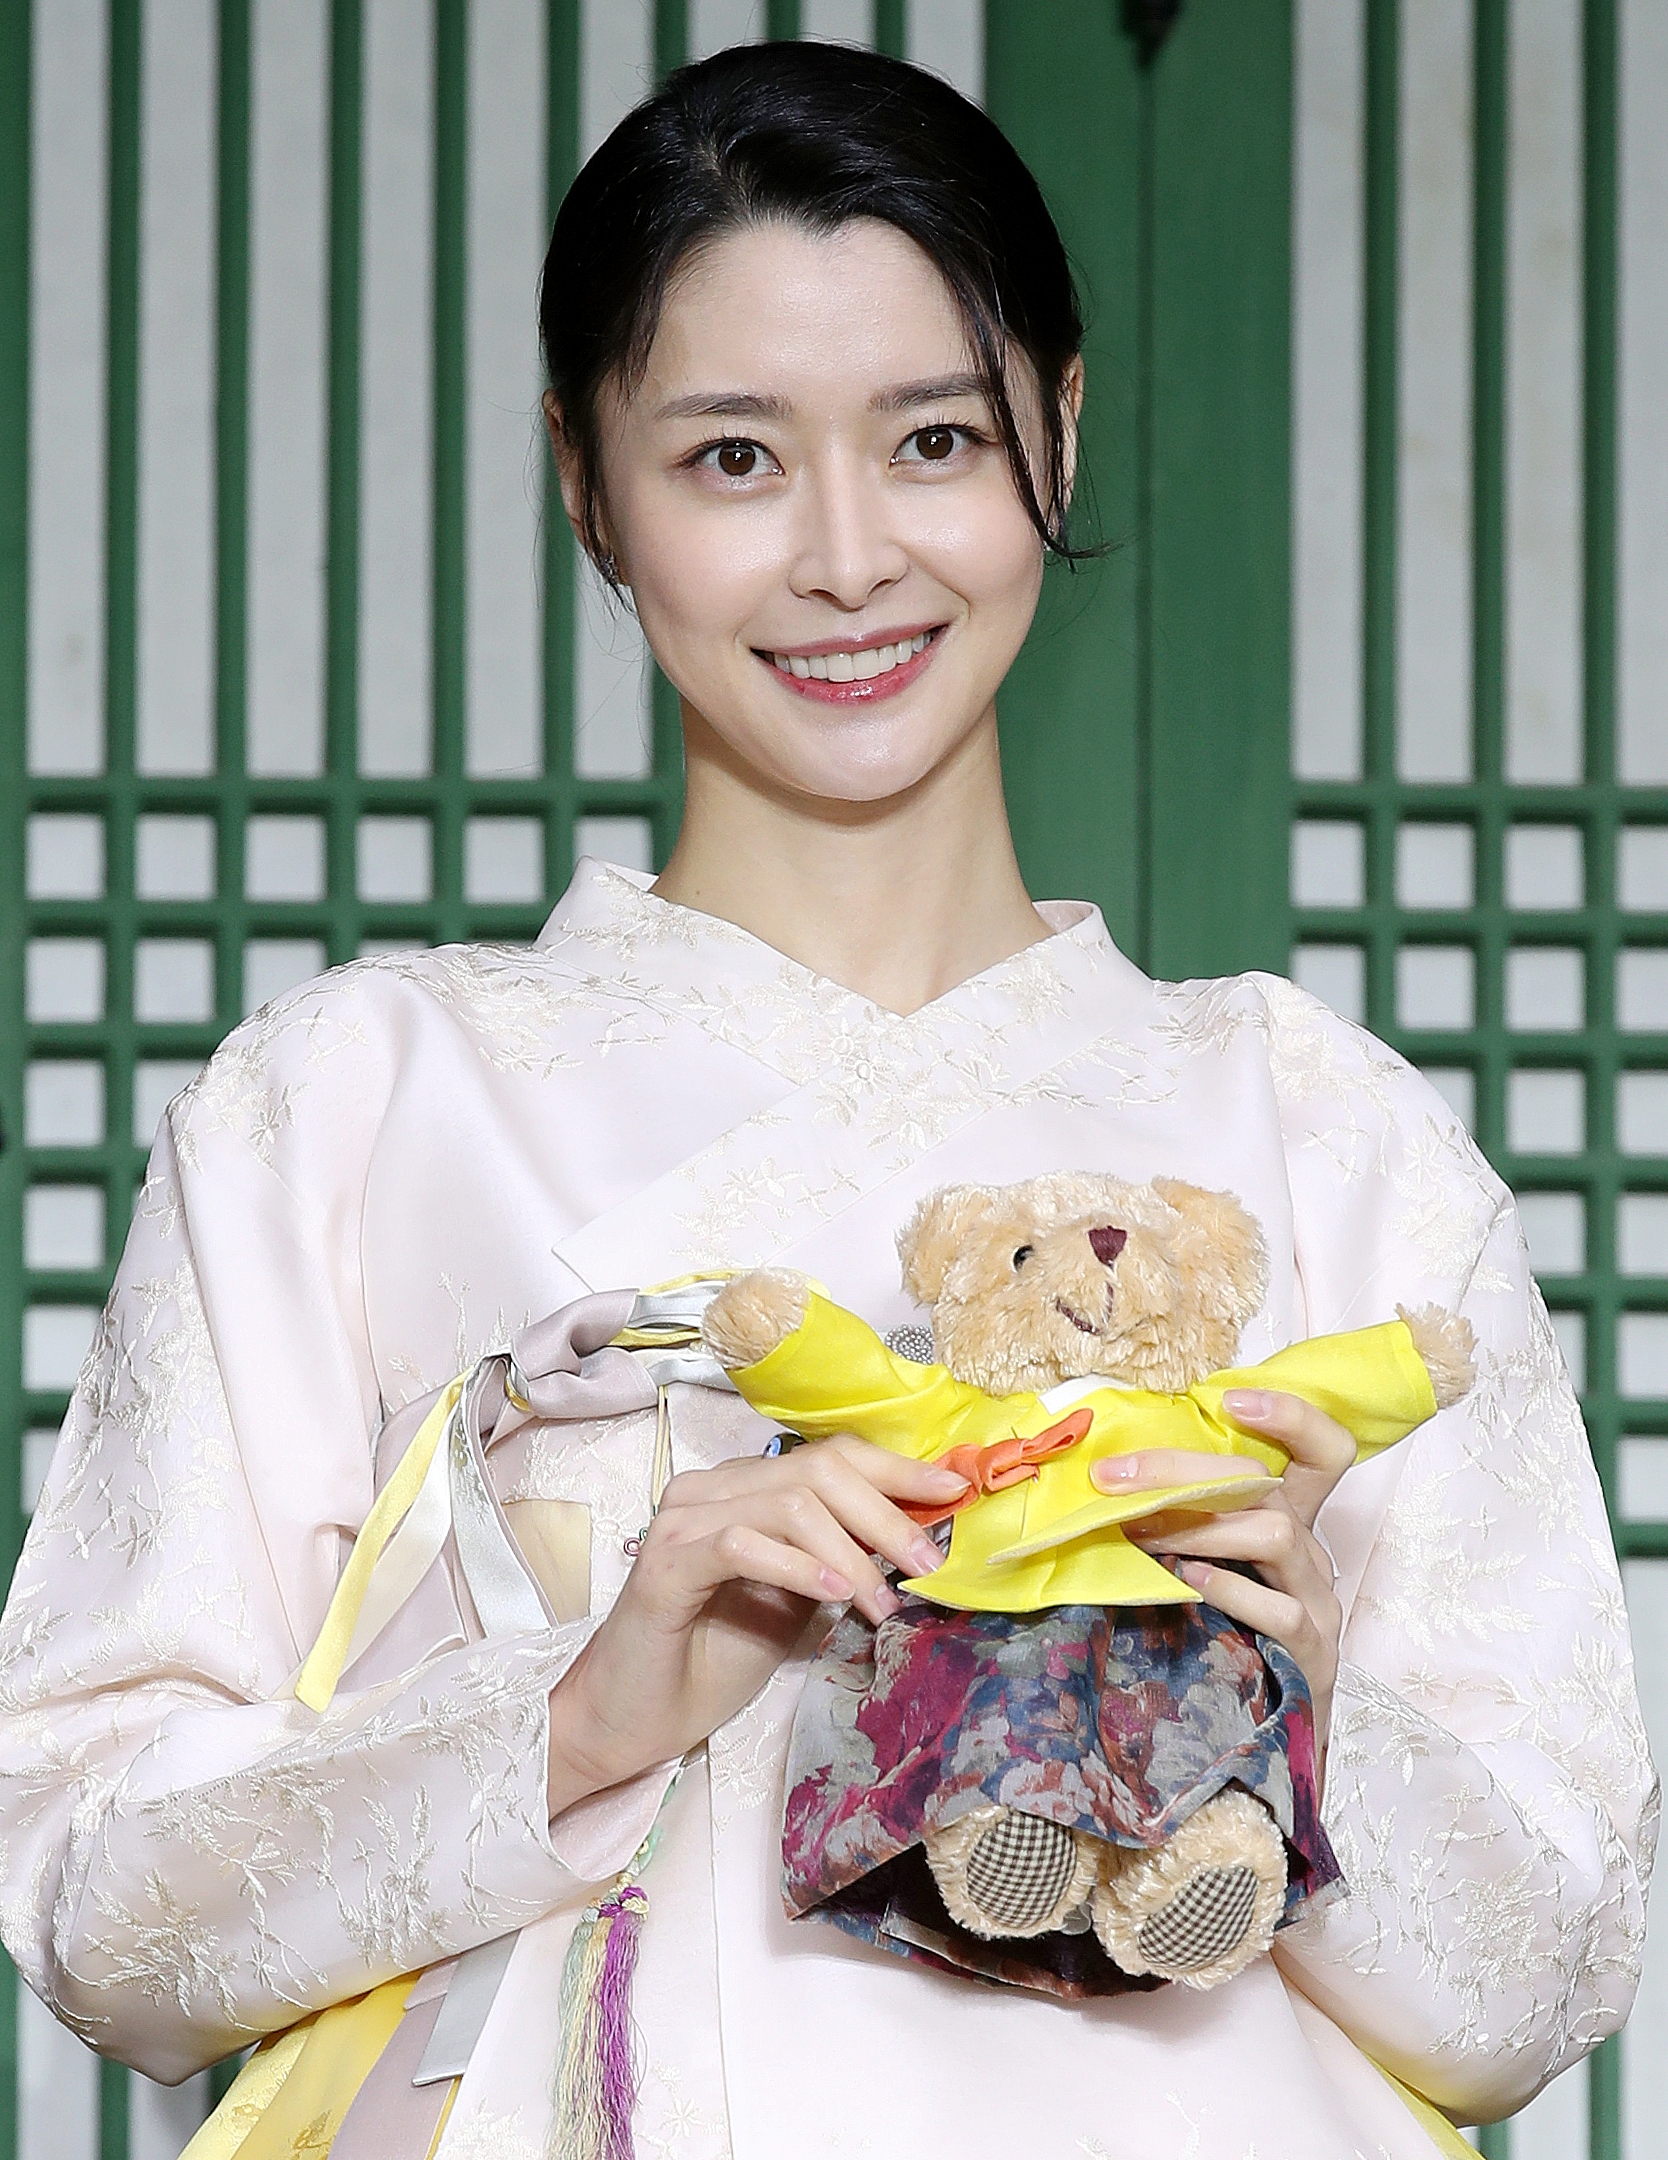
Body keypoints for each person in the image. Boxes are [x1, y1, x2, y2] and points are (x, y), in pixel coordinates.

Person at [0, 41, 1653, 2160]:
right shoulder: (352, 1103)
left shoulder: (1328, 1134)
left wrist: (1304, 1679)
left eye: (934, 438)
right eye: (732, 460)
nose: (850, 557)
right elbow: (94, 1905)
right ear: (586, 482)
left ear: (1059, 427)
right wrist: (590, 1706)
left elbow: (1544, 1982)